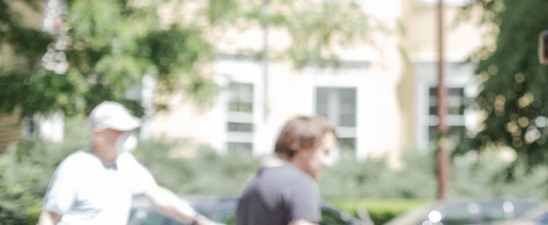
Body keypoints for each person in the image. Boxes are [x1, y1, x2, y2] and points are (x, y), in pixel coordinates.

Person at [38, 101, 216, 225]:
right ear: (99, 134)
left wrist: (197, 220)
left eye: (129, 130)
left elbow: (157, 195)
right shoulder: (76, 167)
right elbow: (49, 218)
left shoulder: (126, 164)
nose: (127, 134)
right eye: (120, 130)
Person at [235, 116, 339, 225]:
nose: (329, 163)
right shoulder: (299, 183)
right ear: (303, 148)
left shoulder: (254, 181)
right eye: (325, 152)